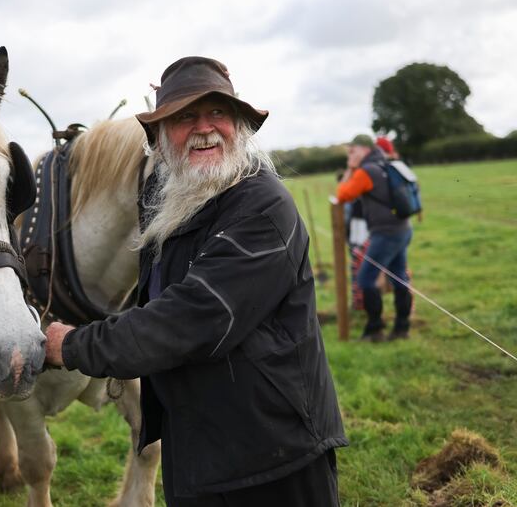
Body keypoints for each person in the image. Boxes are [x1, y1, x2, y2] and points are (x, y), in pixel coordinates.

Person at [44, 56, 347, 506]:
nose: (205, 128)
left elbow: (187, 320)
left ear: (239, 125)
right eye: (185, 117)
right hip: (199, 447)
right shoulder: (174, 200)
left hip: (272, 455)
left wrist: (72, 345)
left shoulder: (262, 208)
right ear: (162, 138)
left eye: (218, 113)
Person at [336, 134, 413, 342]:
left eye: (352, 151)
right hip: (403, 228)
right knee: (399, 277)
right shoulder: (384, 164)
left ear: (363, 149)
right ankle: (401, 329)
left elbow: (342, 195)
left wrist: (351, 168)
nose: (351, 155)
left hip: (386, 233)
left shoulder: (366, 171)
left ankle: (374, 330)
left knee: (365, 279)